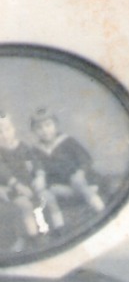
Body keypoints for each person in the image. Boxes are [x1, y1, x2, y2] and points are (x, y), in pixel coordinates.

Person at [1, 111, 65, 252]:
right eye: (0, 132)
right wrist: (16, 185)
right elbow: (4, 173)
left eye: (7, 129)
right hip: (13, 188)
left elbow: (36, 162)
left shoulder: (23, 146)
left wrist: (40, 176)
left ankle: (60, 228)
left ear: (13, 129)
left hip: (31, 184)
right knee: (26, 206)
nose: (4, 135)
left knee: (49, 198)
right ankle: (34, 236)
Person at [30, 108, 106, 215]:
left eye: (48, 125)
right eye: (39, 128)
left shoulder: (68, 141)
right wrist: (40, 177)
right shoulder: (36, 150)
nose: (45, 130)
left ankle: (98, 205)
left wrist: (80, 173)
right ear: (33, 131)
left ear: (56, 125)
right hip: (60, 183)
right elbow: (38, 167)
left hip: (79, 177)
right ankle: (86, 192)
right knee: (55, 190)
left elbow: (85, 159)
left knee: (77, 182)